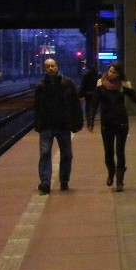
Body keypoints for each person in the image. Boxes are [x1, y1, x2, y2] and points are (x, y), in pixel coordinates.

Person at [87, 62, 136, 192]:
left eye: (114, 72)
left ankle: (120, 181)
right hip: (107, 123)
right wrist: (90, 121)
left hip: (121, 122)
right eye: (109, 71)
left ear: (119, 74)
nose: (110, 74)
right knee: (108, 153)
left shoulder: (123, 85)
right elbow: (94, 104)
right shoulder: (100, 85)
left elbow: (135, 98)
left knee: (120, 152)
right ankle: (111, 172)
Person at [33, 58, 84, 194]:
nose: (50, 69)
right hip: (46, 125)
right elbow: (37, 107)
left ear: (57, 66)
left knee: (67, 154)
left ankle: (64, 180)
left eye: (53, 66)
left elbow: (75, 104)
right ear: (44, 69)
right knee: (45, 153)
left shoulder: (67, 84)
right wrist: (38, 124)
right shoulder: (41, 86)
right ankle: (45, 181)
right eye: (48, 67)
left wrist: (77, 122)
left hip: (63, 125)